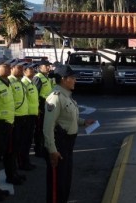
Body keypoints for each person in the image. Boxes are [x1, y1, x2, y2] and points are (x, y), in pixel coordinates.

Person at [43, 64, 95, 203]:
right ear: (63, 79)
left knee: (65, 182)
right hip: (59, 146)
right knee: (57, 185)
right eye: (72, 78)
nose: (75, 80)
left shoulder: (67, 96)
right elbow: (47, 127)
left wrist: (84, 122)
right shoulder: (55, 97)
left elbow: (68, 118)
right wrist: (52, 151)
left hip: (67, 145)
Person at [0, 58, 25, 193]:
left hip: (8, 124)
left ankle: (3, 180)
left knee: (7, 153)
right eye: (6, 66)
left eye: (10, 66)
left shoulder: (6, 82)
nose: (9, 68)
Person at [8, 60, 32, 173]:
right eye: (19, 67)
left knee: (22, 144)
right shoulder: (10, 82)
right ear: (12, 68)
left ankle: (20, 166)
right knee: (13, 148)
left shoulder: (20, 82)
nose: (21, 69)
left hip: (24, 117)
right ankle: (13, 171)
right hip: (15, 119)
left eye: (22, 68)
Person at [32, 60, 53, 157]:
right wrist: (39, 108)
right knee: (39, 130)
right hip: (41, 108)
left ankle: (44, 148)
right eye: (46, 66)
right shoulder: (38, 78)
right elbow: (36, 94)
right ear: (40, 67)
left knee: (45, 129)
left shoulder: (46, 77)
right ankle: (38, 150)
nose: (48, 67)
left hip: (47, 108)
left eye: (49, 66)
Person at [20, 63, 39, 170]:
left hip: (32, 115)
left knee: (28, 141)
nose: (32, 71)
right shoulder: (24, 83)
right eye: (30, 69)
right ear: (24, 71)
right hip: (26, 116)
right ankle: (23, 162)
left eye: (33, 69)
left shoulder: (31, 83)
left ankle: (26, 161)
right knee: (24, 141)